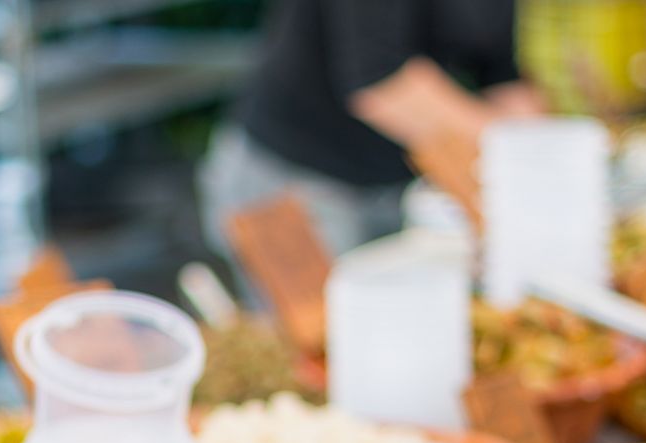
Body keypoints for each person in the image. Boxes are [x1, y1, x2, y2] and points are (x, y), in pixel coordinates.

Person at [200, 0, 545, 256]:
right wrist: (532, 155)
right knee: (320, 345)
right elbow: (381, 85)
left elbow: (503, 76)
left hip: (395, 186)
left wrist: (545, 165)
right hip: (290, 181)